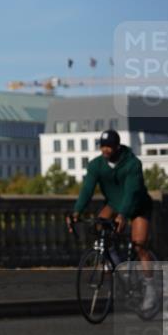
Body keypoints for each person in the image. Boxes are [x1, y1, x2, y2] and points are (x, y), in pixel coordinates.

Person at [66, 129, 158, 312]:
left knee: (139, 245)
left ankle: (150, 288)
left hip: (138, 205)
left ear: (117, 146)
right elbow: (87, 189)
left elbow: (132, 192)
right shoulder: (96, 166)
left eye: (109, 146)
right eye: (103, 146)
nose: (105, 150)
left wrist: (123, 215)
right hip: (115, 204)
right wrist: (76, 212)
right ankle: (113, 260)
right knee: (98, 224)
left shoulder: (132, 164)